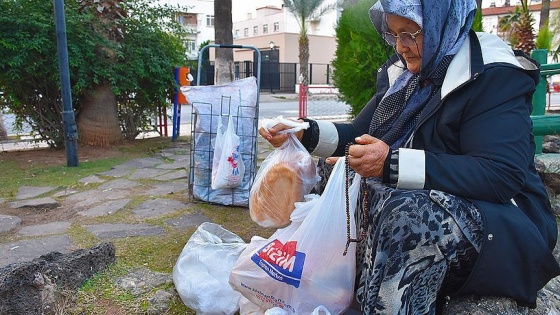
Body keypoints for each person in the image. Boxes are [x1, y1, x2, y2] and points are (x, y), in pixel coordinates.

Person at [258, 0, 560, 313]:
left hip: (505, 223)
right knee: (336, 172)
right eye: (394, 35)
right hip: (448, 199)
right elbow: (358, 137)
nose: (401, 47)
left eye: (410, 33)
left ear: (443, 20)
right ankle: (346, 291)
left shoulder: (492, 75)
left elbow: (499, 175)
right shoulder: (408, 78)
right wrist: (303, 132)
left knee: (405, 213)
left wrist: (392, 163)